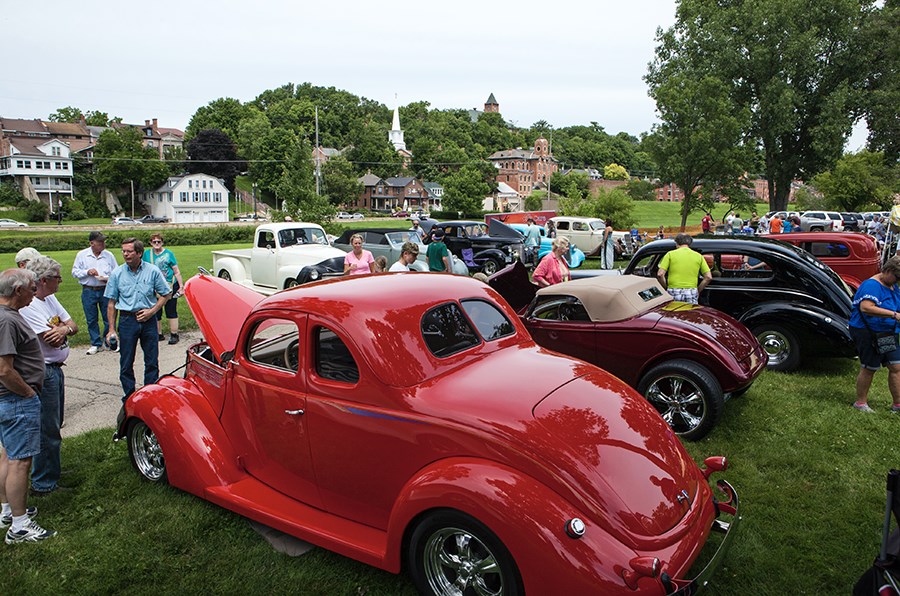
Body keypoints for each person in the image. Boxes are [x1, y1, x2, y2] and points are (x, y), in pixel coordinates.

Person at [0, 268, 56, 543]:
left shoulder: (8, 316)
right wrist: (27, 393)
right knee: (20, 462)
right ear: (18, 290)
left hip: (10, 399)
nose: (35, 293)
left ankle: (8, 510)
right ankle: (19, 525)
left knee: (8, 456)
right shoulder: (7, 321)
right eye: (32, 288)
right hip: (16, 399)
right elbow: (3, 369)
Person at [21, 257, 76, 496]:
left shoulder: (49, 298)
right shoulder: (31, 305)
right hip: (43, 371)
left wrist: (64, 329)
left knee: (55, 422)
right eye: (57, 278)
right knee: (47, 428)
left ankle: (51, 469)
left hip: (55, 369)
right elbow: (50, 337)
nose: (61, 282)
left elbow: (71, 326)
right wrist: (64, 331)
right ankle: (44, 483)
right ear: (44, 280)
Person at [105, 239, 171, 402]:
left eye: (129, 251)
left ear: (139, 253)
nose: (125, 254)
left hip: (148, 321)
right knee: (126, 361)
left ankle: (150, 395)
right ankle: (129, 397)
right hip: (127, 320)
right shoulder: (117, 273)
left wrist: (152, 312)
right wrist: (112, 329)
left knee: (151, 360)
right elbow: (111, 303)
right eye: (123, 251)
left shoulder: (152, 271)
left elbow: (166, 294)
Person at [848, 256, 900, 413]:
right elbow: (866, 307)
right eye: (897, 277)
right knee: (870, 367)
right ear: (888, 271)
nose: (898, 281)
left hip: (885, 333)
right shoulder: (871, 286)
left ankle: (897, 404)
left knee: (896, 366)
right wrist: (894, 315)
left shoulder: (892, 286)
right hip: (868, 332)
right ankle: (860, 403)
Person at [72, 231, 118, 355]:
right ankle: (95, 342)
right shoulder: (82, 255)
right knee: (91, 318)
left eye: (103, 242)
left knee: (108, 316)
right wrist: (87, 272)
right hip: (89, 289)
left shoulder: (109, 255)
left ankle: (108, 340)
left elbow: (116, 271)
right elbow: (75, 272)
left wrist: (108, 277)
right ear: (92, 243)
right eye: (100, 242)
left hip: (105, 288)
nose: (103, 244)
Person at [143, 234, 184, 345]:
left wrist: (181, 287)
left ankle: (174, 334)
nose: (157, 243)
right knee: (156, 310)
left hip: (169, 285)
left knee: (171, 310)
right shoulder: (147, 254)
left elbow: (176, 271)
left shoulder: (169, 254)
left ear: (162, 242)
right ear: (150, 243)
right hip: (154, 287)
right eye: (154, 242)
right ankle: (158, 334)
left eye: (159, 241)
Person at [656, 233, 712, 304]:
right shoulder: (698, 256)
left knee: (673, 314)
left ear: (676, 243)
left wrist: (666, 287)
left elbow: (660, 274)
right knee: (689, 314)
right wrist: (698, 290)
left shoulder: (670, 254)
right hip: (691, 290)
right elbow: (708, 277)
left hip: (673, 290)